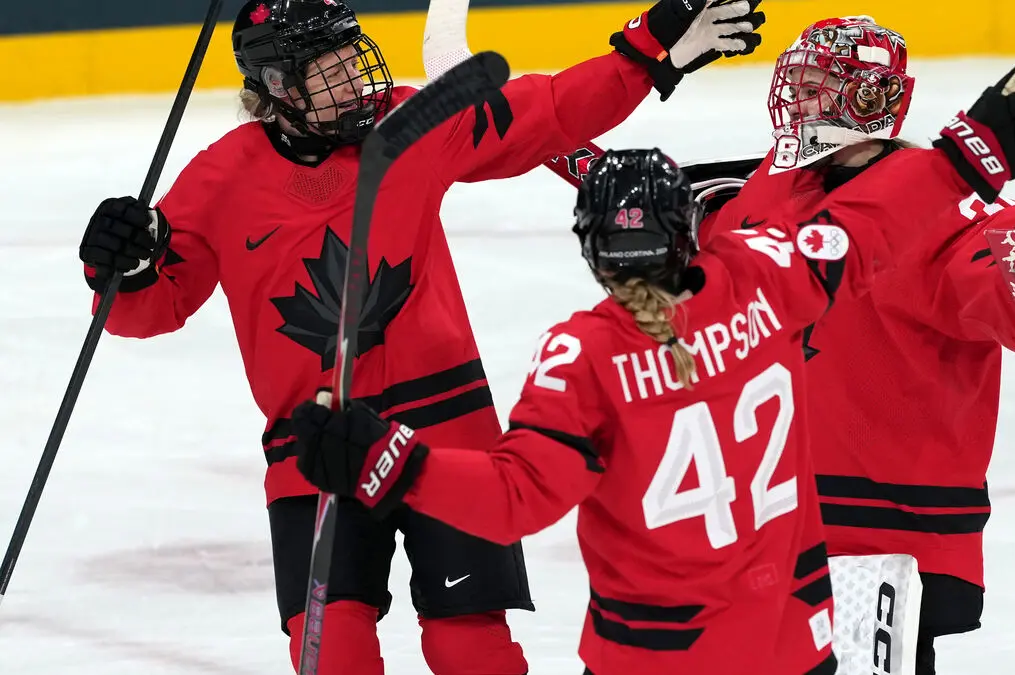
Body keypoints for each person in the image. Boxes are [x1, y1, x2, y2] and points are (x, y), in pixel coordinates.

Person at [74, 0, 768, 672]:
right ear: (279, 87)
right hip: (317, 444)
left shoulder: (408, 122)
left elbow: (545, 112)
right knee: (331, 652)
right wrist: (122, 267)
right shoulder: (219, 178)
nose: (356, 72)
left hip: (448, 432)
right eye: (331, 65)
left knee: (470, 650)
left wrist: (647, 53)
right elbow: (151, 309)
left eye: (353, 52)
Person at [282, 138, 1002, 675]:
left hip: (659, 655)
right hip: (792, 641)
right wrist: (973, 149)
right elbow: (863, 222)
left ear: (592, 250)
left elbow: (514, 498)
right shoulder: (762, 280)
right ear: (688, 233)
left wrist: (387, 463)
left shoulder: (586, 356)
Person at [691, 15, 1015, 674]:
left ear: (867, 99)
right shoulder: (772, 189)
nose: (797, 101)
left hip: (879, 540)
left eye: (818, 85)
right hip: (760, 531)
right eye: (797, 82)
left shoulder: (941, 211)